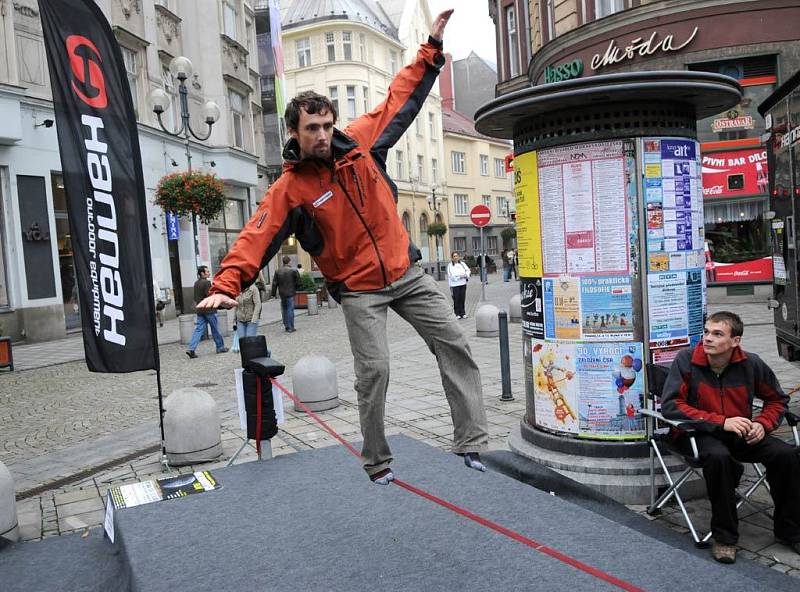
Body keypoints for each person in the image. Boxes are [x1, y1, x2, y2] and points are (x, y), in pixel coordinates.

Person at [197, 9, 488, 485]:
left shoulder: (361, 144)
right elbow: (256, 234)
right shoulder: (290, 190)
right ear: (295, 132)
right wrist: (229, 281)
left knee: (455, 344)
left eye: (327, 126)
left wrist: (431, 50)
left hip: (406, 273)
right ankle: (377, 461)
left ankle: (472, 444)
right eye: (312, 128)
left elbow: (399, 96)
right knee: (375, 372)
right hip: (359, 291)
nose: (323, 136)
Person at [661, 311, 800, 564]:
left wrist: (763, 423)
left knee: (786, 455)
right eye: (706, 332)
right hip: (696, 434)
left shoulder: (751, 364)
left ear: (735, 341)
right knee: (719, 458)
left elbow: (777, 400)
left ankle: (790, 531)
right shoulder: (687, 360)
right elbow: (672, 407)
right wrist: (721, 422)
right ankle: (725, 538)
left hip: (741, 434)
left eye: (717, 334)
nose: (708, 339)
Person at [186, 266, 228, 359]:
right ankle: (220, 347)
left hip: (200, 310)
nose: (209, 273)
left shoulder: (196, 283)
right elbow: (210, 296)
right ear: (202, 273)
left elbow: (196, 298)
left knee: (199, 329)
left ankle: (191, 348)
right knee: (215, 329)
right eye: (207, 272)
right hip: (209, 310)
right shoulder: (207, 283)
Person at [271, 255, 300, 333]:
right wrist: (296, 288)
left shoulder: (278, 271)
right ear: (289, 261)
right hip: (290, 292)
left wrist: (273, 294)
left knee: (284, 309)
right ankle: (291, 326)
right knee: (290, 309)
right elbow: (298, 282)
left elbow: (274, 283)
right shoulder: (293, 271)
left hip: (282, 293)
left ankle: (286, 326)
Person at [447, 251, 470, 319]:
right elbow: (451, 275)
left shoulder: (462, 264)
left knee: (462, 298)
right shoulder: (450, 265)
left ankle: (463, 313)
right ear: (452, 258)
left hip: (463, 283)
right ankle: (457, 313)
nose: (456, 257)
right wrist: (459, 276)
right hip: (454, 285)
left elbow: (467, 270)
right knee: (456, 299)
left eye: (457, 256)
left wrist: (466, 275)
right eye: (454, 256)